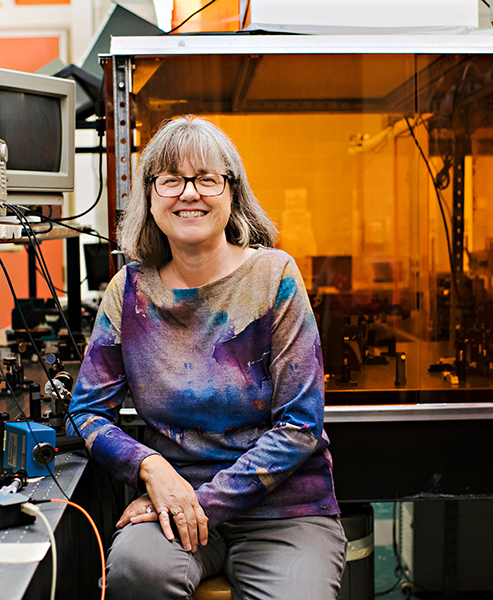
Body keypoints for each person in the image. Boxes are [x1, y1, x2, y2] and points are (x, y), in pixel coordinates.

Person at [68, 115, 345, 600]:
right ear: (150, 197)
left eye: (206, 179)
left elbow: (302, 426)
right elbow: (87, 413)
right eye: (171, 180)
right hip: (171, 504)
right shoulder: (128, 291)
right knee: (136, 572)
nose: (188, 193)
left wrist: (199, 501)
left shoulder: (273, 276)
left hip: (285, 509)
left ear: (232, 192)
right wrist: (151, 470)